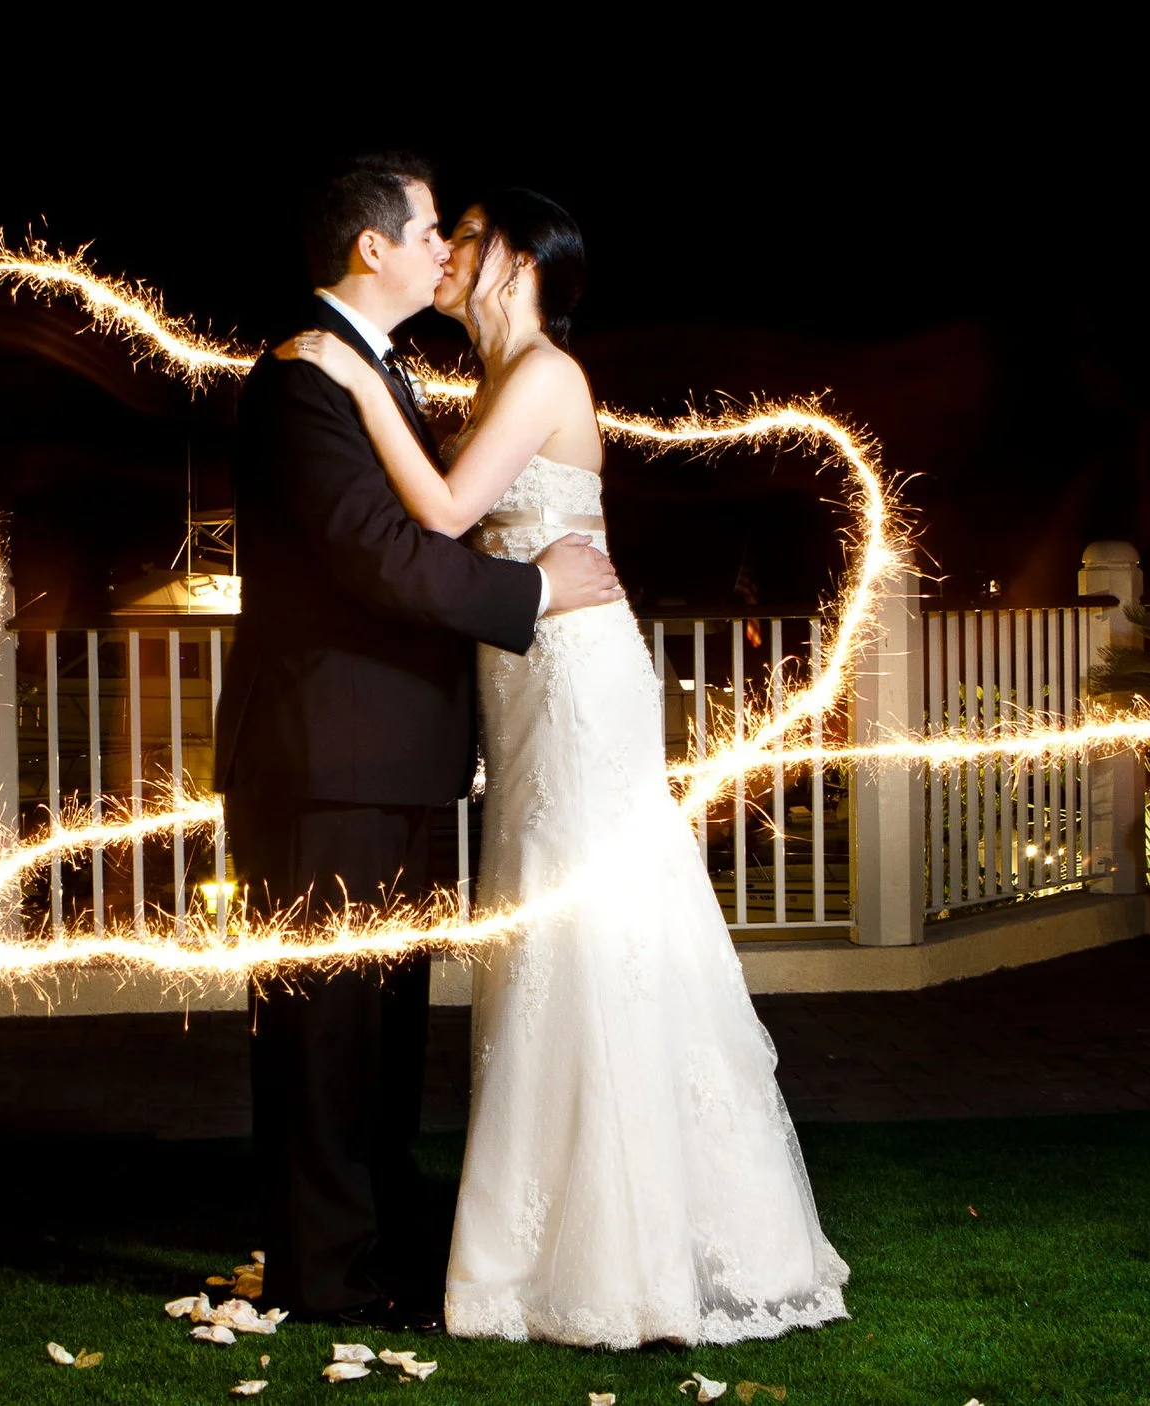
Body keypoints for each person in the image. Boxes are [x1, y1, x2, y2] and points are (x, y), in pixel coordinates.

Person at [273, 187, 850, 1348]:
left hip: (577, 685)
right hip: (525, 686)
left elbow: (437, 513)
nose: (446, 255)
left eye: (466, 238)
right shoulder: (498, 382)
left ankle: (619, 1248)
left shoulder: (540, 372)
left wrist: (342, 380)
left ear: (519, 260)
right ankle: (552, 1235)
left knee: (587, 939)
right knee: (545, 940)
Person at [211, 154, 622, 1333]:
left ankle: (376, 1248)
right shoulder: (302, 377)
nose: (445, 245)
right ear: (371, 249)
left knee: (379, 1031)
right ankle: (324, 1274)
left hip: (390, 756)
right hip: (322, 756)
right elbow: (381, 556)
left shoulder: (373, 368)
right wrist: (533, 590)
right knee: (324, 1032)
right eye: (432, 227)